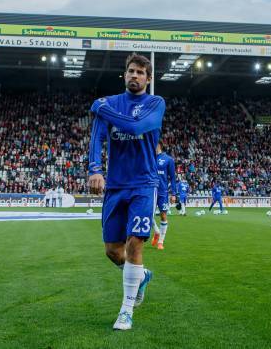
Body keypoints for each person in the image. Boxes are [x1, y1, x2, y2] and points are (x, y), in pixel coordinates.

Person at [88, 53, 165, 331]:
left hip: (144, 184)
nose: (134, 75)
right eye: (131, 71)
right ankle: (141, 276)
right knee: (112, 250)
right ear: (125, 74)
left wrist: (100, 106)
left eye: (140, 72)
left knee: (134, 243)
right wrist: (94, 169)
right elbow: (97, 137)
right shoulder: (110, 103)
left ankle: (126, 311)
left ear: (148, 78)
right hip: (116, 186)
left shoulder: (155, 103)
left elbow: (134, 126)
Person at [151, 143, 177, 250]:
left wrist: (174, 193)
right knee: (147, 214)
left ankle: (161, 241)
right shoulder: (149, 156)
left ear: (159, 145)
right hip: (150, 190)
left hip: (162, 192)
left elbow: (173, 178)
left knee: (163, 216)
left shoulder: (168, 159)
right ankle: (157, 232)